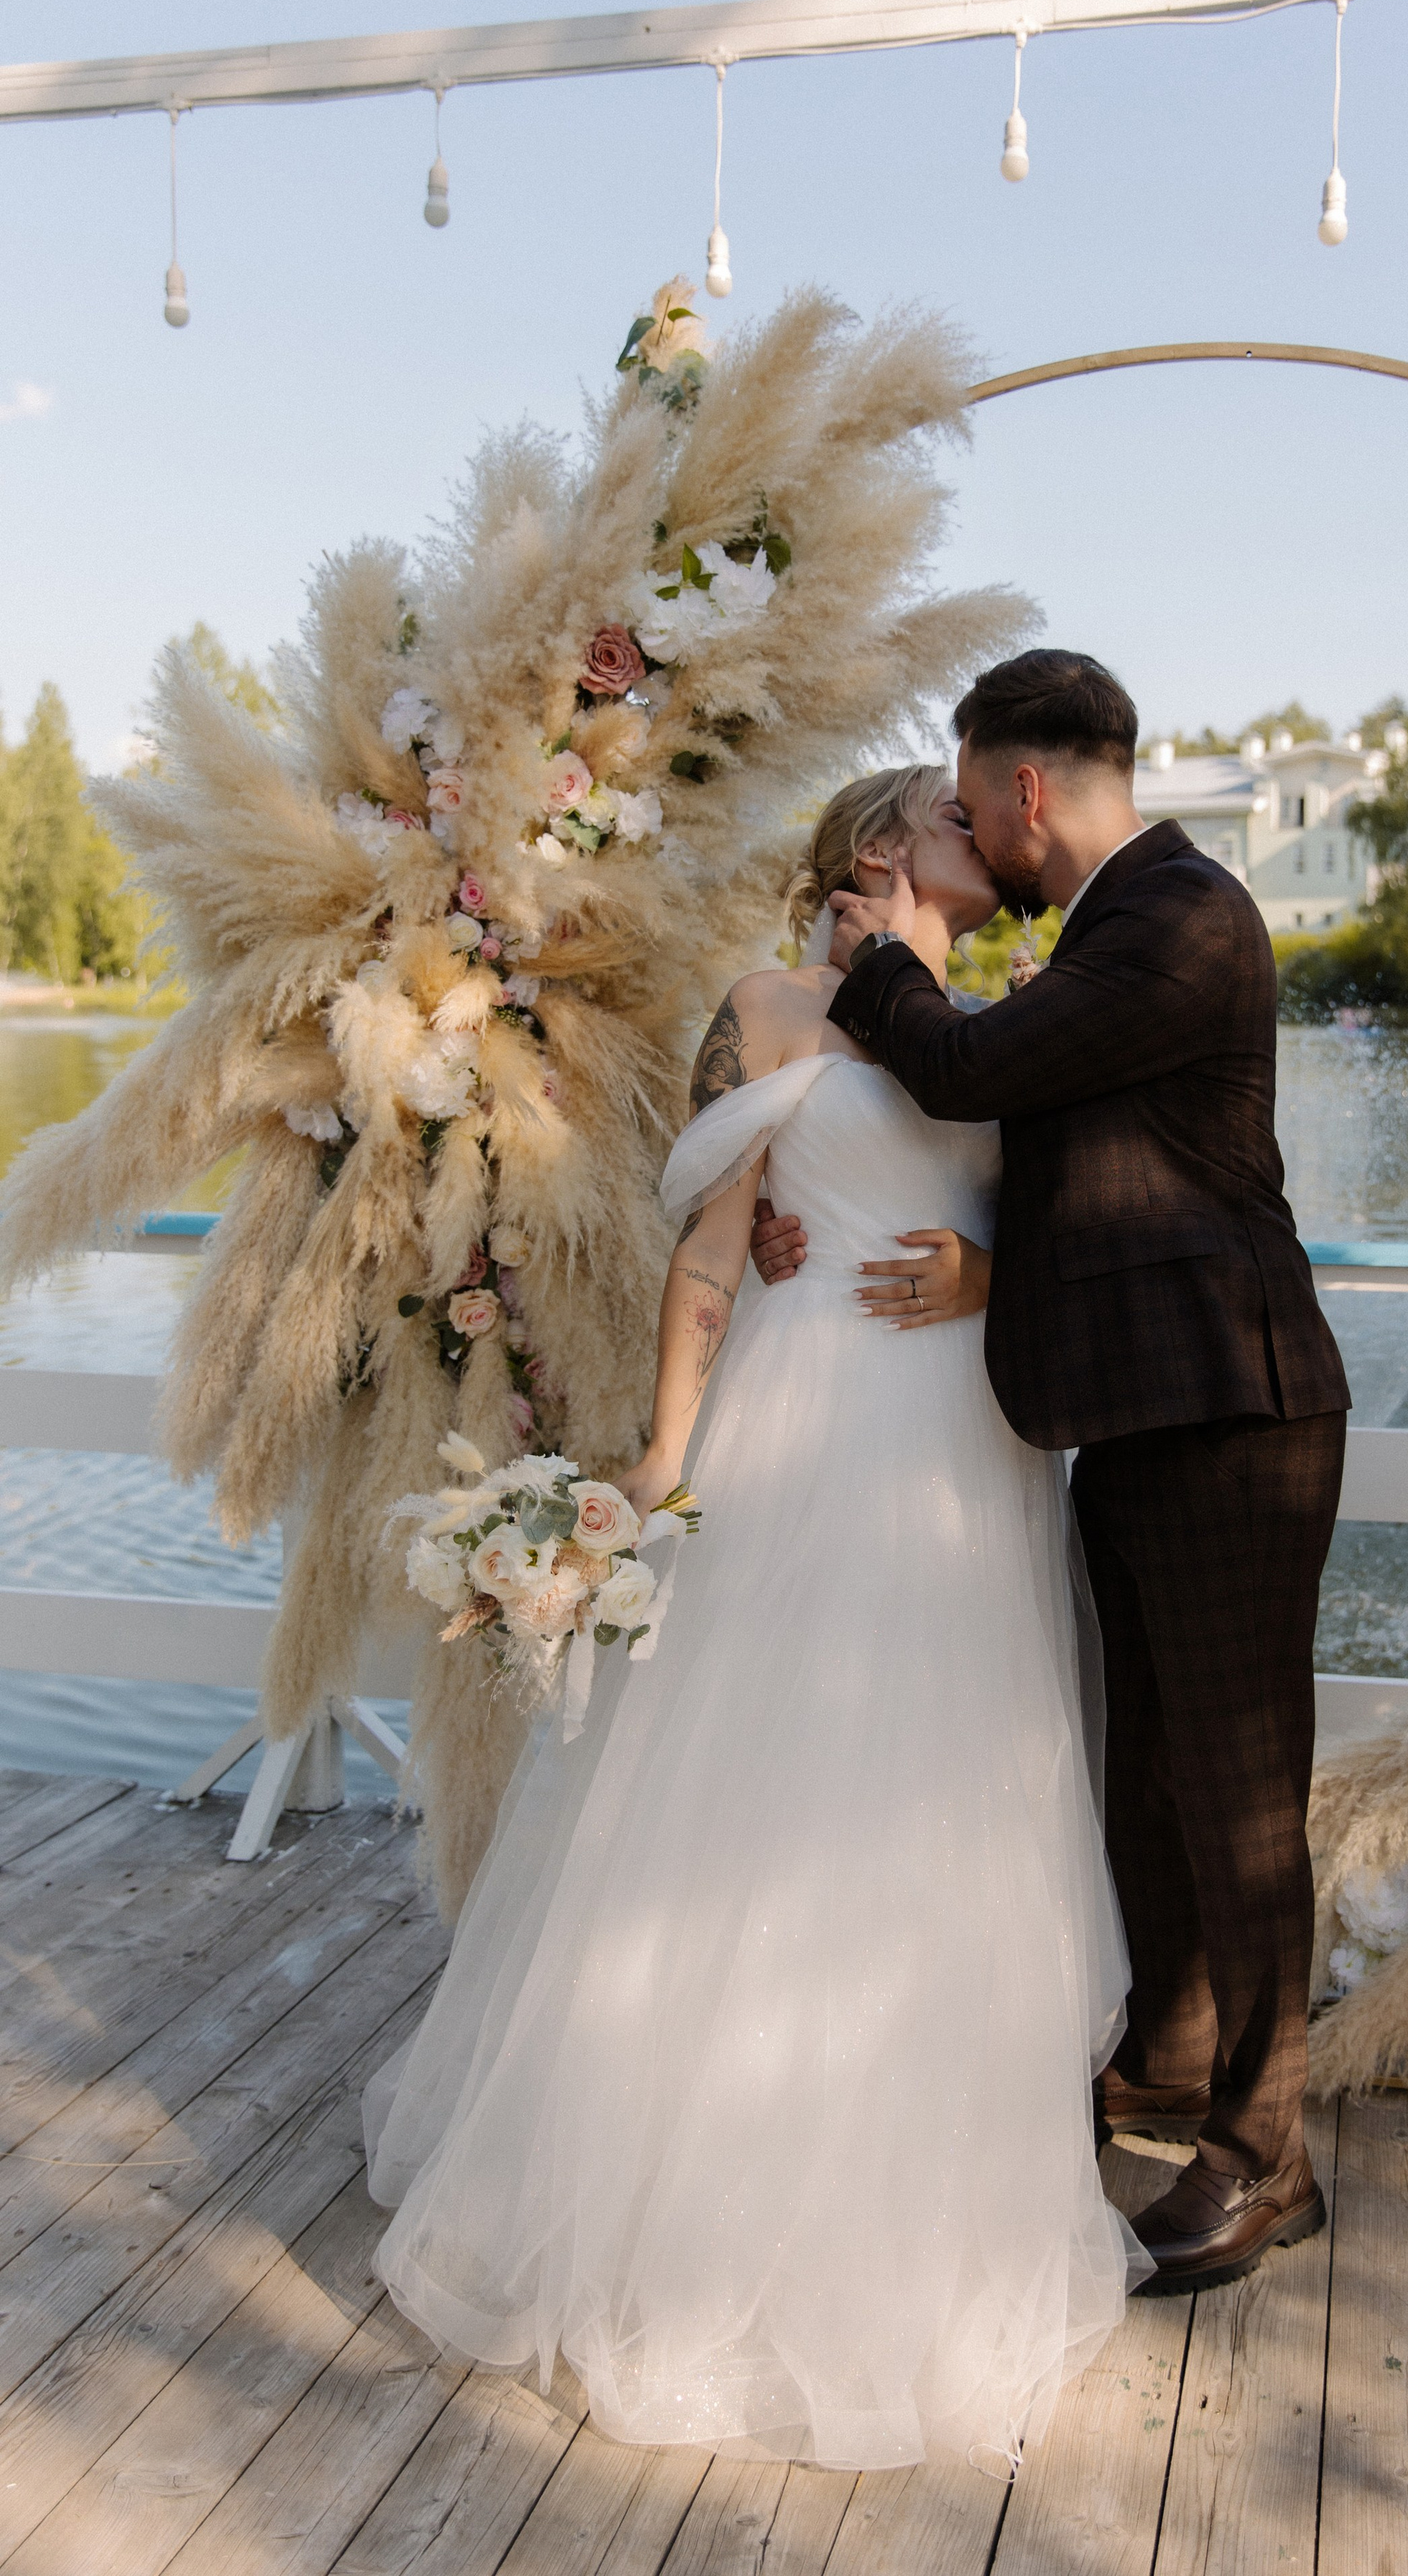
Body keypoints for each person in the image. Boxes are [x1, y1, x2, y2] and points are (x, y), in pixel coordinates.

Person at [363, 763, 1147, 2474]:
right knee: (746, 1785)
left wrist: (987, 1274)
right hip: (802, 1426)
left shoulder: (1005, 1018)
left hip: (960, 1444)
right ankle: (685, 2190)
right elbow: (713, 1246)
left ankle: (920, 2187)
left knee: (942, 1795)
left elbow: (1074, 1229)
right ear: (881, 847)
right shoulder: (770, 1007)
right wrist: (660, 1453)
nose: (987, 841)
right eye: (955, 822)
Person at [754, 650, 1350, 2294]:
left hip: (1236, 1414)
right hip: (1135, 1414)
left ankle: (1262, 2154)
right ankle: (1162, 2057)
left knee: (1236, 1802)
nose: (962, 827)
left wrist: (873, 962)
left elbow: (963, 1072)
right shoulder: (1099, 938)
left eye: (965, 799)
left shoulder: (1184, 914)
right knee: (1143, 1770)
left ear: (1024, 791)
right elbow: (1063, 1172)